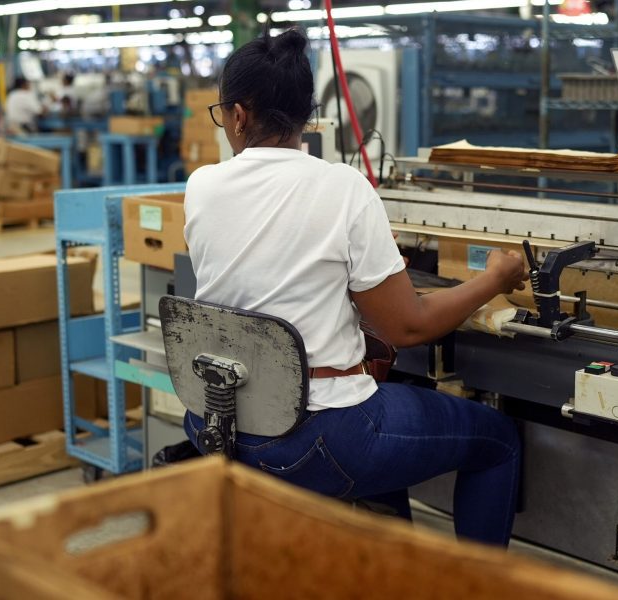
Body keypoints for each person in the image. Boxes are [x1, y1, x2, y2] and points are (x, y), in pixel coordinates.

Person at [182, 27, 529, 547]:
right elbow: (409, 327)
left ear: (237, 113)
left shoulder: (201, 186)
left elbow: (263, 268)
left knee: (382, 419)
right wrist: (495, 278)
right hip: (317, 438)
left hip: (217, 419)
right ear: (308, 115)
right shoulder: (344, 187)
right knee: (497, 439)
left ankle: (382, 568)